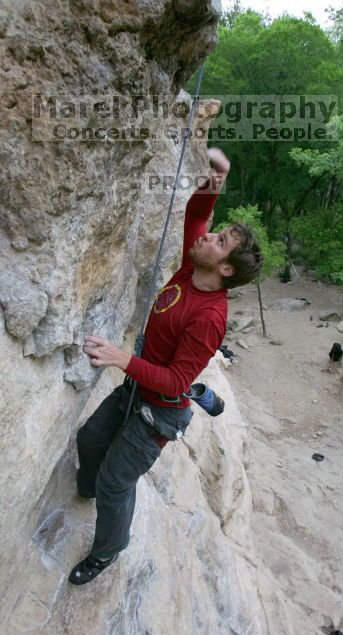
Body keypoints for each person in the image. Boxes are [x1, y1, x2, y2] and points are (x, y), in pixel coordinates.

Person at [69, 148, 263, 585]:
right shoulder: (189, 271)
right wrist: (219, 175)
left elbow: (177, 379)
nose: (207, 236)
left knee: (116, 484)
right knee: (90, 438)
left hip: (158, 411)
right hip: (138, 390)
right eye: (217, 232)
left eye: (219, 240)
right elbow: (196, 212)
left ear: (226, 268)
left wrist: (122, 359)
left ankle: (106, 554)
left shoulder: (209, 315)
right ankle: (87, 487)